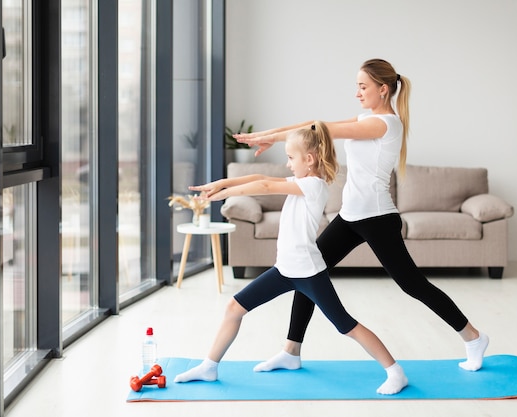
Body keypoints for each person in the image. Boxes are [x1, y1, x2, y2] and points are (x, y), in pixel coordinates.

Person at [235, 58, 489, 374]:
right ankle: (291, 351)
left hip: (378, 218)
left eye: (363, 86)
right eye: (357, 86)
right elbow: (316, 128)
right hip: (351, 216)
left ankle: (473, 337)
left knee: (413, 285)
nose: (357, 92)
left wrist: (271, 135)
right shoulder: (366, 118)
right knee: (308, 270)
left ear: (383, 90)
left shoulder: (385, 124)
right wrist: (271, 134)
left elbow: (321, 128)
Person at [173, 121, 408, 395]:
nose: (287, 164)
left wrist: (225, 194)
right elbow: (259, 179)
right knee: (234, 308)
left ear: (309, 160)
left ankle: (395, 372)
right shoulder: (300, 181)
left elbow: (264, 186)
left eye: (290, 158)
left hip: (308, 273)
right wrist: (223, 183)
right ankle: (210, 366)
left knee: (346, 326)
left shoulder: (314, 185)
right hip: (284, 270)